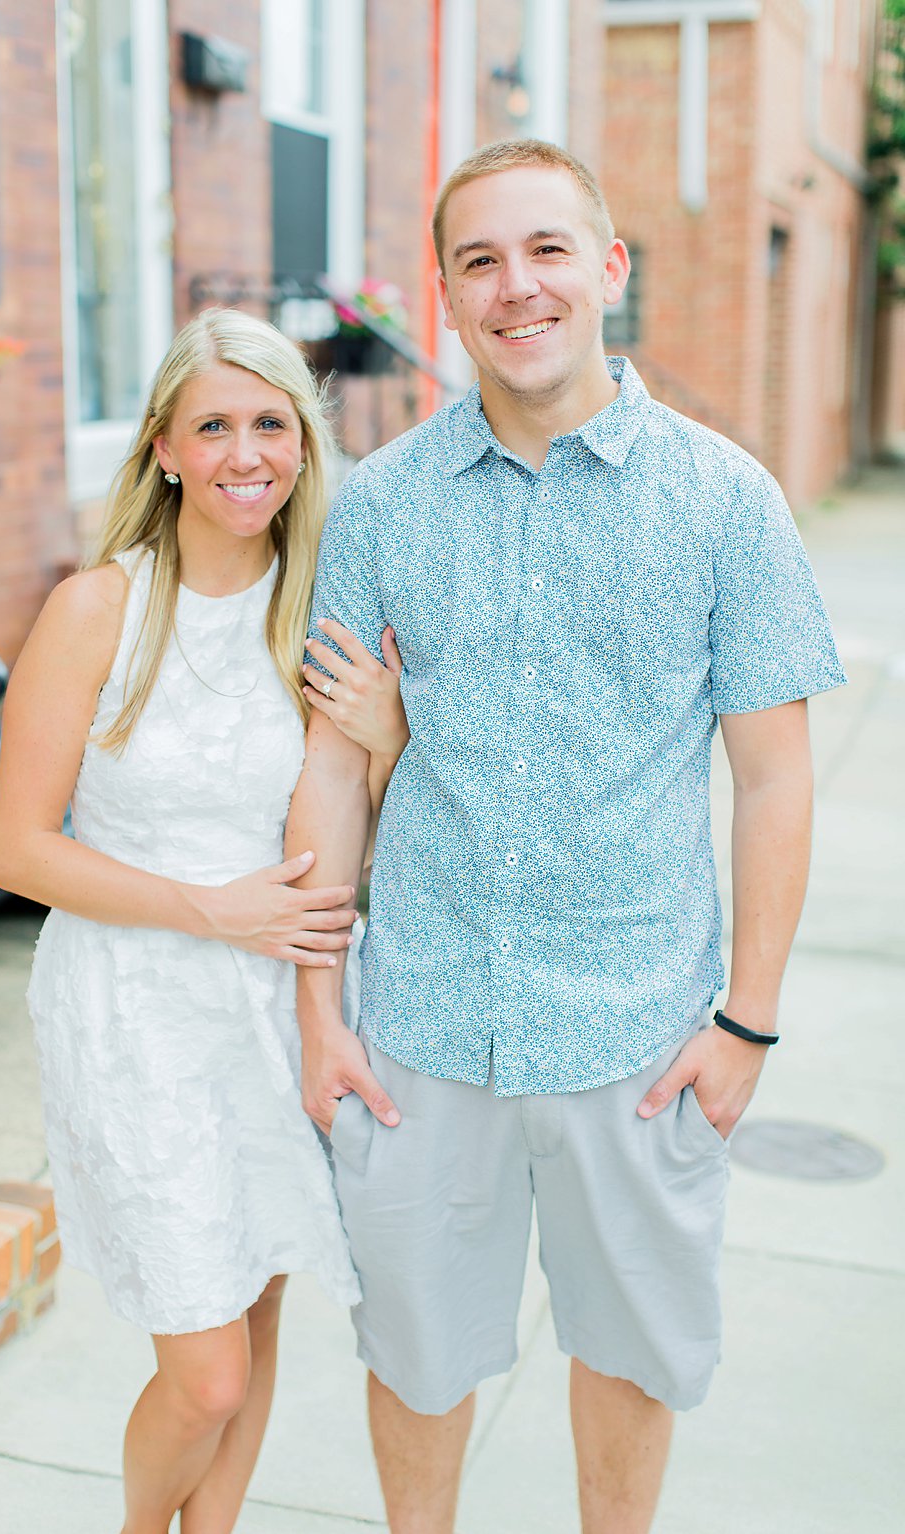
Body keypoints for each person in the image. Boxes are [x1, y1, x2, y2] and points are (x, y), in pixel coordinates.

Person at [287, 139, 845, 1534]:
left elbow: (776, 778)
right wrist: (319, 1008)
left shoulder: (726, 500)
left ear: (608, 269)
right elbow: (335, 772)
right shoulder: (380, 505)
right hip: (421, 1023)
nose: (514, 285)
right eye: (479, 260)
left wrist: (748, 1025)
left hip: (641, 1033)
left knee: (630, 1352)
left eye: (545, 250)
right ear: (445, 295)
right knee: (416, 1358)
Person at [0, 307, 410, 1534]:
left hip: (275, 1004)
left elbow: (338, 842)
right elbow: (20, 849)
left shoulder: (318, 614)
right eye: (212, 424)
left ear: (302, 443)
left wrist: (382, 751)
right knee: (204, 1368)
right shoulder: (96, 609)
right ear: (163, 447)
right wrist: (206, 909)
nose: (243, 452)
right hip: (134, 1007)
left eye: (269, 423)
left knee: (258, 1305)